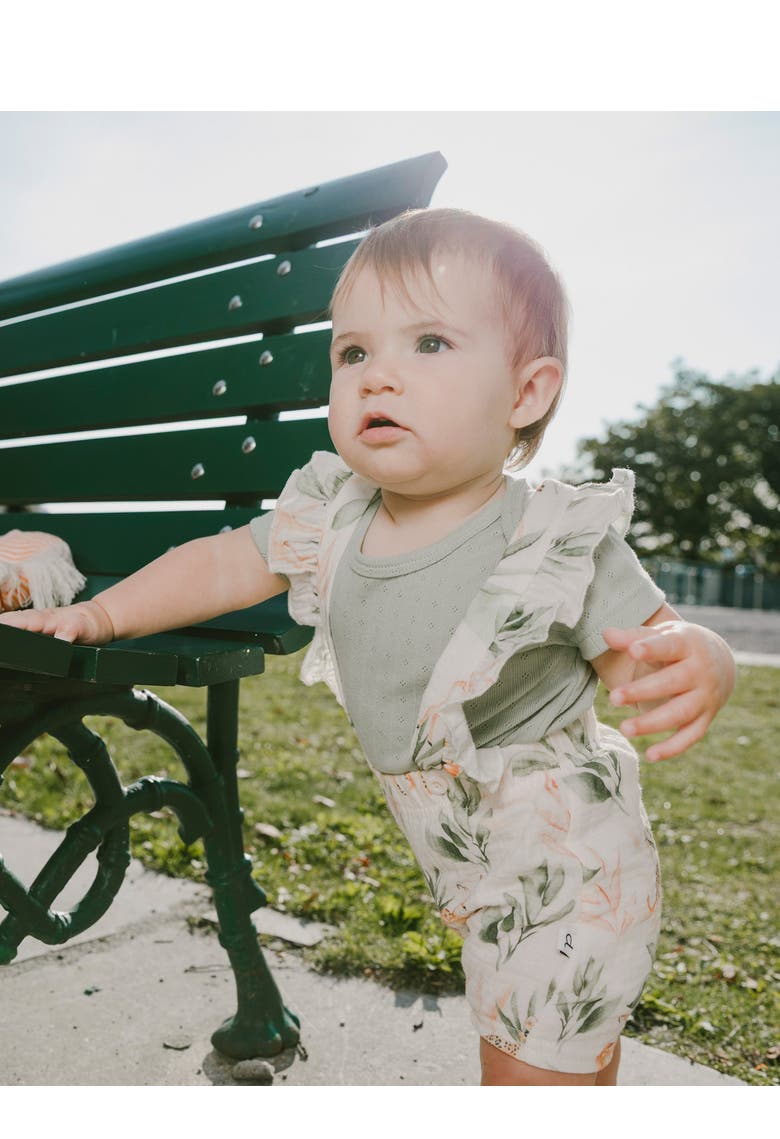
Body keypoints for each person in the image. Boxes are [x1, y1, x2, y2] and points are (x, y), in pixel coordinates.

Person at [0, 208, 735, 1086]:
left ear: (526, 394)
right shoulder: (334, 515)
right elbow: (221, 564)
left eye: (429, 343)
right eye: (352, 352)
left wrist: (695, 656)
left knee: (533, 1070)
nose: (377, 375)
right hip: (462, 856)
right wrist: (102, 616)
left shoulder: (550, 537)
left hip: (567, 858)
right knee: (543, 1052)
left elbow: (640, 646)